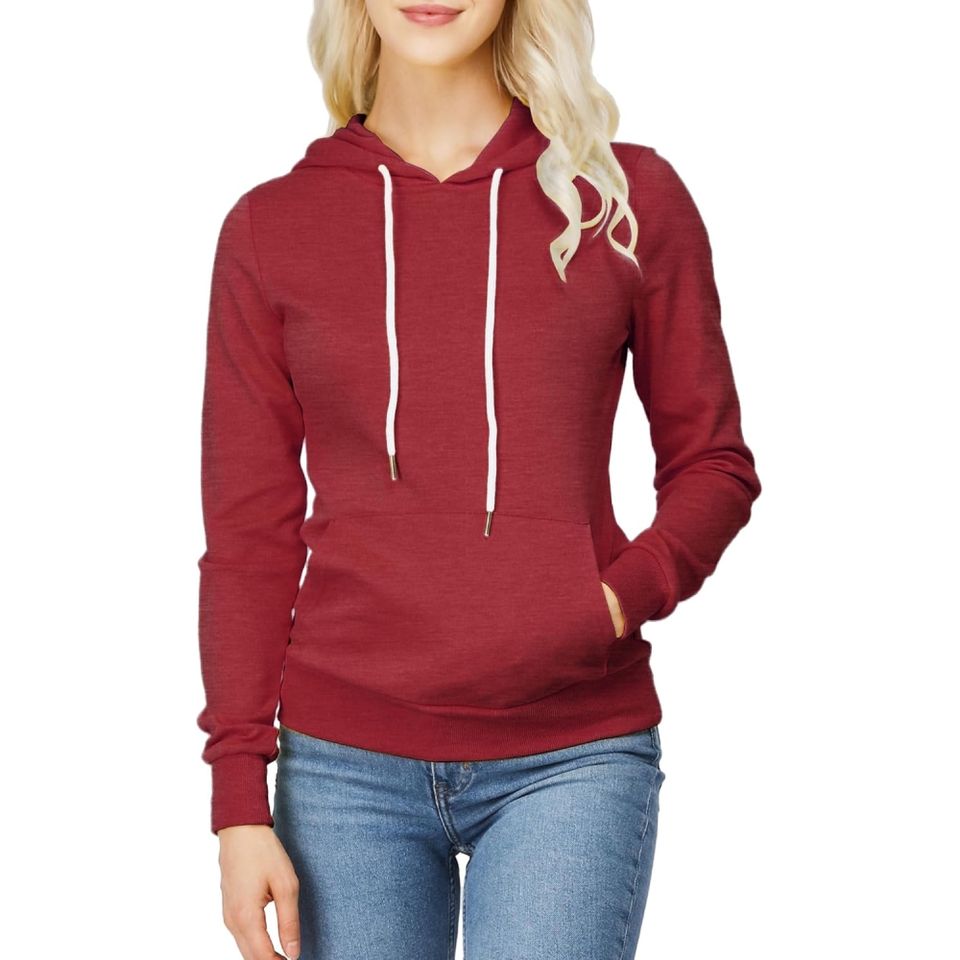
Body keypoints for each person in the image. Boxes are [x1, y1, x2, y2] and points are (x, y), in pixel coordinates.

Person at [196, 1, 762, 957]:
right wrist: (236, 802)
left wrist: (609, 603)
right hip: (343, 769)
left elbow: (714, 465)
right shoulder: (272, 227)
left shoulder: (624, 201)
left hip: (572, 756)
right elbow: (248, 536)